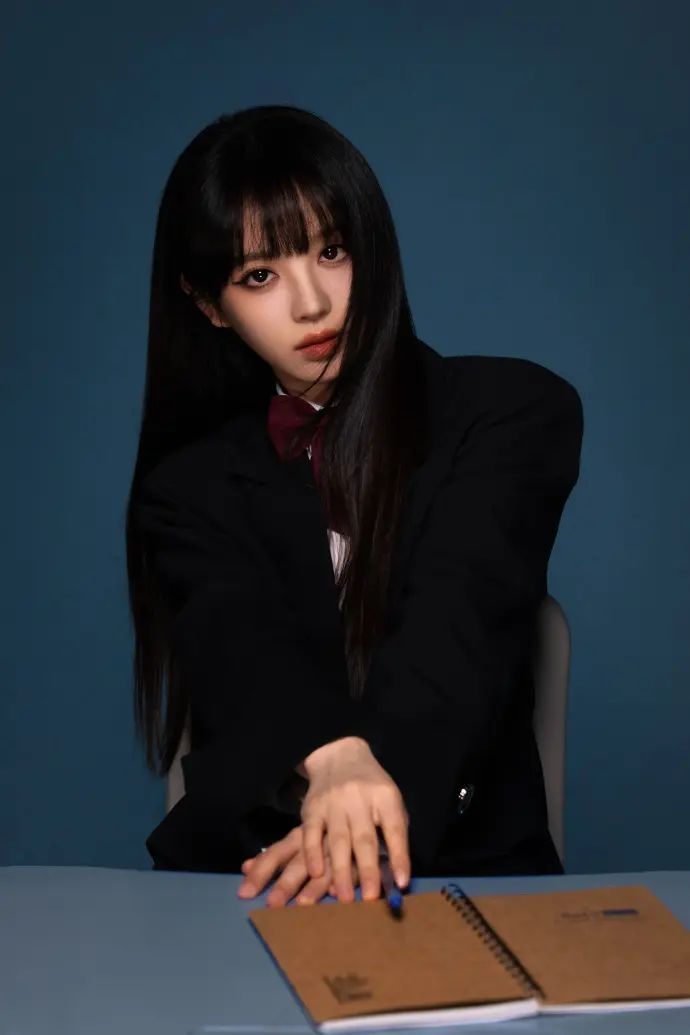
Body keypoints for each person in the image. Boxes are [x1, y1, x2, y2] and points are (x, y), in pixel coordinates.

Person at [125, 104, 584, 909]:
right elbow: (241, 644)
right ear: (209, 304)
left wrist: (352, 819)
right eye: (259, 275)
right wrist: (331, 754)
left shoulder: (512, 410)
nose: (311, 304)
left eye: (331, 251)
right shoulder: (189, 485)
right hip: (253, 875)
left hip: (462, 872)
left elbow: (461, 623)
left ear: (373, 247)